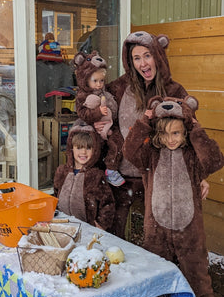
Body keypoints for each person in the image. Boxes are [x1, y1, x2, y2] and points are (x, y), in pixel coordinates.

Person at [123, 95, 224, 297]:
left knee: (199, 281)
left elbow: (214, 160)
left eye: (177, 133)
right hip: (156, 231)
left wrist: (194, 125)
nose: (171, 139)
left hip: (190, 231)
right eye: (166, 133)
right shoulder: (150, 156)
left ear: (185, 131)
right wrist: (145, 120)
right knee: (156, 281)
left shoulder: (192, 156)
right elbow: (129, 150)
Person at [100, 30, 209, 238]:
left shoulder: (174, 90)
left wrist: (200, 174)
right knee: (115, 235)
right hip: (121, 177)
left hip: (158, 176)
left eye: (147, 56)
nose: (143, 64)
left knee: (159, 236)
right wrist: (97, 118)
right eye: (137, 58)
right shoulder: (120, 87)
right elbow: (96, 100)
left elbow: (192, 131)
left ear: (157, 56)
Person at [73, 50, 125, 187]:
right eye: (95, 81)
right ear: (85, 79)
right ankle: (88, 172)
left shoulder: (104, 92)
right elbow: (82, 113)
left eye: (101, 81)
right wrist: (97, 112)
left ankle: (111, 169)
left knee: (117, 142)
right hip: (92, 128)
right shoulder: (82, 95)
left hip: (108, 125)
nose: (99, 84)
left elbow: (112, 106)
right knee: (93, 149)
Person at [53, 120, 115, 231]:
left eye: (88, 148)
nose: (83, 152)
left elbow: (107, 203)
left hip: (87, 229)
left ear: (94, 150)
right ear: (71, 149)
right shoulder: (62, 172)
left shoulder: (96, 176)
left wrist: (101, 225)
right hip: (63, 225)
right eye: (79, 147)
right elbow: (56, 195)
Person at [36, 32, 74, 115]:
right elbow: (69, 93)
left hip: (40, 112)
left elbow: (69, 92)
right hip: (58, 112)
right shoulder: (65, 68)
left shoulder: (34, 68)